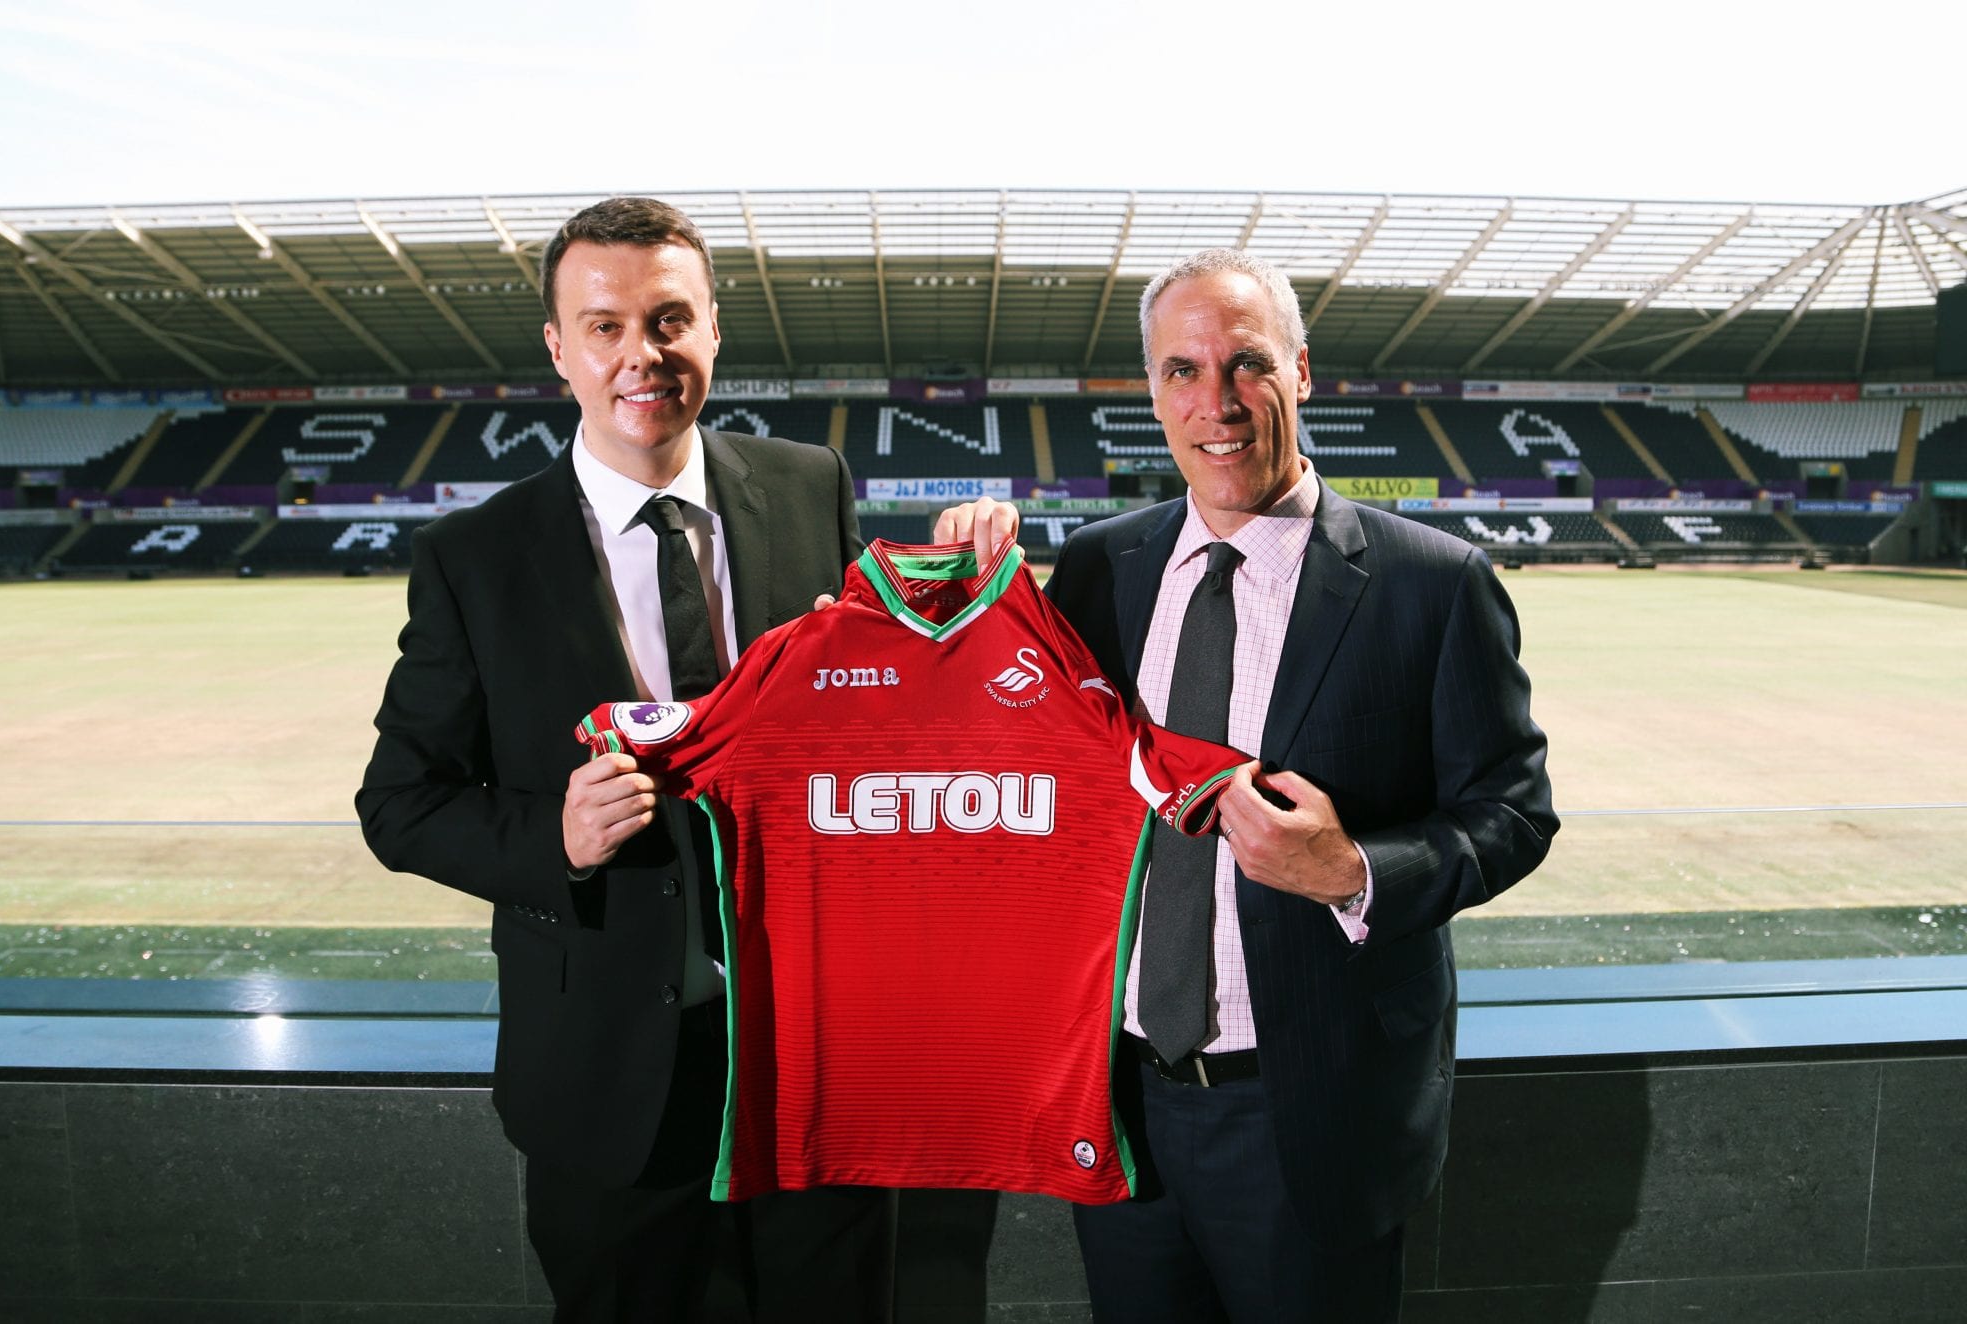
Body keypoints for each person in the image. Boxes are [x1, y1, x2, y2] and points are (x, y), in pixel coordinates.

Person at [357, 196, 1011, 1322]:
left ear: (712, 329)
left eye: (668, 321)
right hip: (610, 1087)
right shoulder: (474, 556)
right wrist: (550, 835)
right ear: (559, 349)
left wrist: (965, 588)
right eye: (604, 326)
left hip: (820, 1064)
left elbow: (891, 719)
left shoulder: (812, 487)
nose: (640, 356)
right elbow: (399, 804)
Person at [1043, 248, 1557, 1323]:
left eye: (1245, 364)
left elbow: (1512, 812)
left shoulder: (1431, 583)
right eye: (1181, 372)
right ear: (1152, 391)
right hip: (1121, 1104)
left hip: (1305, 1116)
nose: (1215, 402)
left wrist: (1354, 870)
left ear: (1301, 372)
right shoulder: (1096, 570)